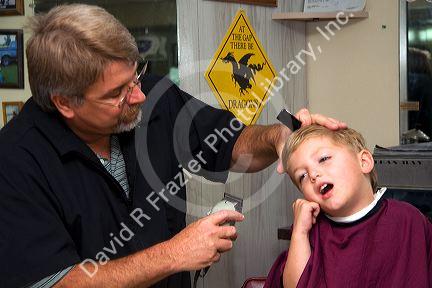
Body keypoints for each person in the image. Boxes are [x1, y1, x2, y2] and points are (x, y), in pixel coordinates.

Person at [0, 4, 346, 288]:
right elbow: (55, 283)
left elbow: (229, 145)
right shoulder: (16, 161)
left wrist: (275, 137)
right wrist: (174, 255)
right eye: (117, 93)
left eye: (135, 76)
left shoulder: (154, 98)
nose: (138, 95)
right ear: (65, 103)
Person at [264, 125, 432, 288]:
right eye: (303, 176)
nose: (313, 174)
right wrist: (299, 233)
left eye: (323, 159)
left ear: (364, 162)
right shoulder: (310, 232)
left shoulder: (409, 220)